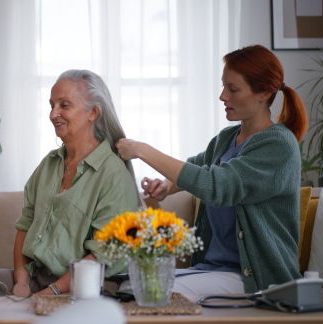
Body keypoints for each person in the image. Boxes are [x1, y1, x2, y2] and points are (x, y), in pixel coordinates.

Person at [117, 44, 307, 306]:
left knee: (157, 292)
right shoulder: (227, 139)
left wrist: (142, 150)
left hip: (256, 277)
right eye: (223, 86)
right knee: (130, 287)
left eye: (233, 88)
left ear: (263, 92)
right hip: (212, 270)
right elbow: (195, 167)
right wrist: (166, 186)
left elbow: (214, 185)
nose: (222, 96)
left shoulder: (278, 146)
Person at [0, 69, 140, 298]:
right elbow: (25, 225)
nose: (53, 114)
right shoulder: (49, 164)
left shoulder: (113, 173)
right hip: (38, 278)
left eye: (64, 105)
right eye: (52, 105)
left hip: (88, 286)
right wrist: (22, 282)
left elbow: (104, 253)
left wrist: (51, 293)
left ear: (93, 112)